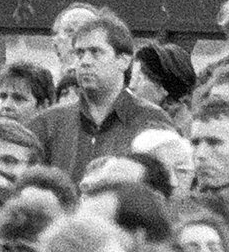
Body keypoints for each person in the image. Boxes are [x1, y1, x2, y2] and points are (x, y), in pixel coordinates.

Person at [27, 9, 172, 180]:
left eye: (96, 52)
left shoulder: (152, 122)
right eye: (79, 53)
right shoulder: (48, 124)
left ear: (124, 60)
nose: (85, 61)